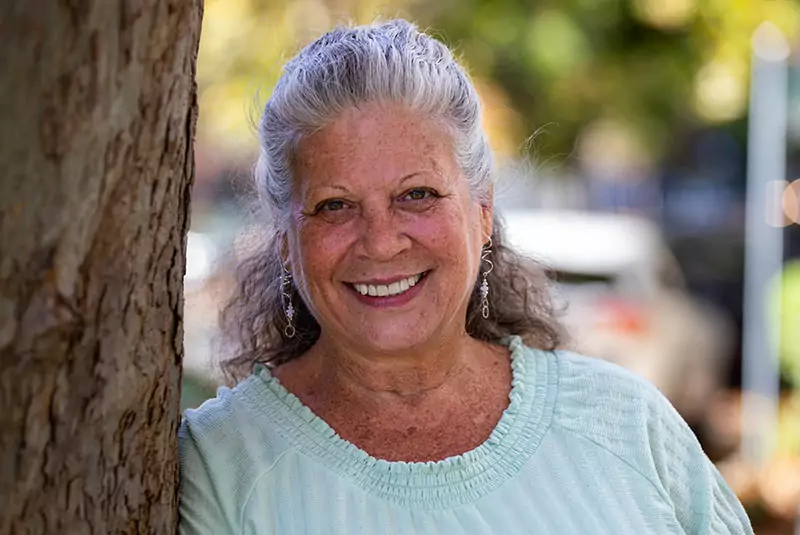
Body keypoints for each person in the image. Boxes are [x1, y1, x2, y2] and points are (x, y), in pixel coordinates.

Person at [178, 19, 753, 534]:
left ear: (482, 213)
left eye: (418, 195)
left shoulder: (627, 423)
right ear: (283, 239)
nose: (381, 240)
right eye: (334, 205)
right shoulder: (223, 464)